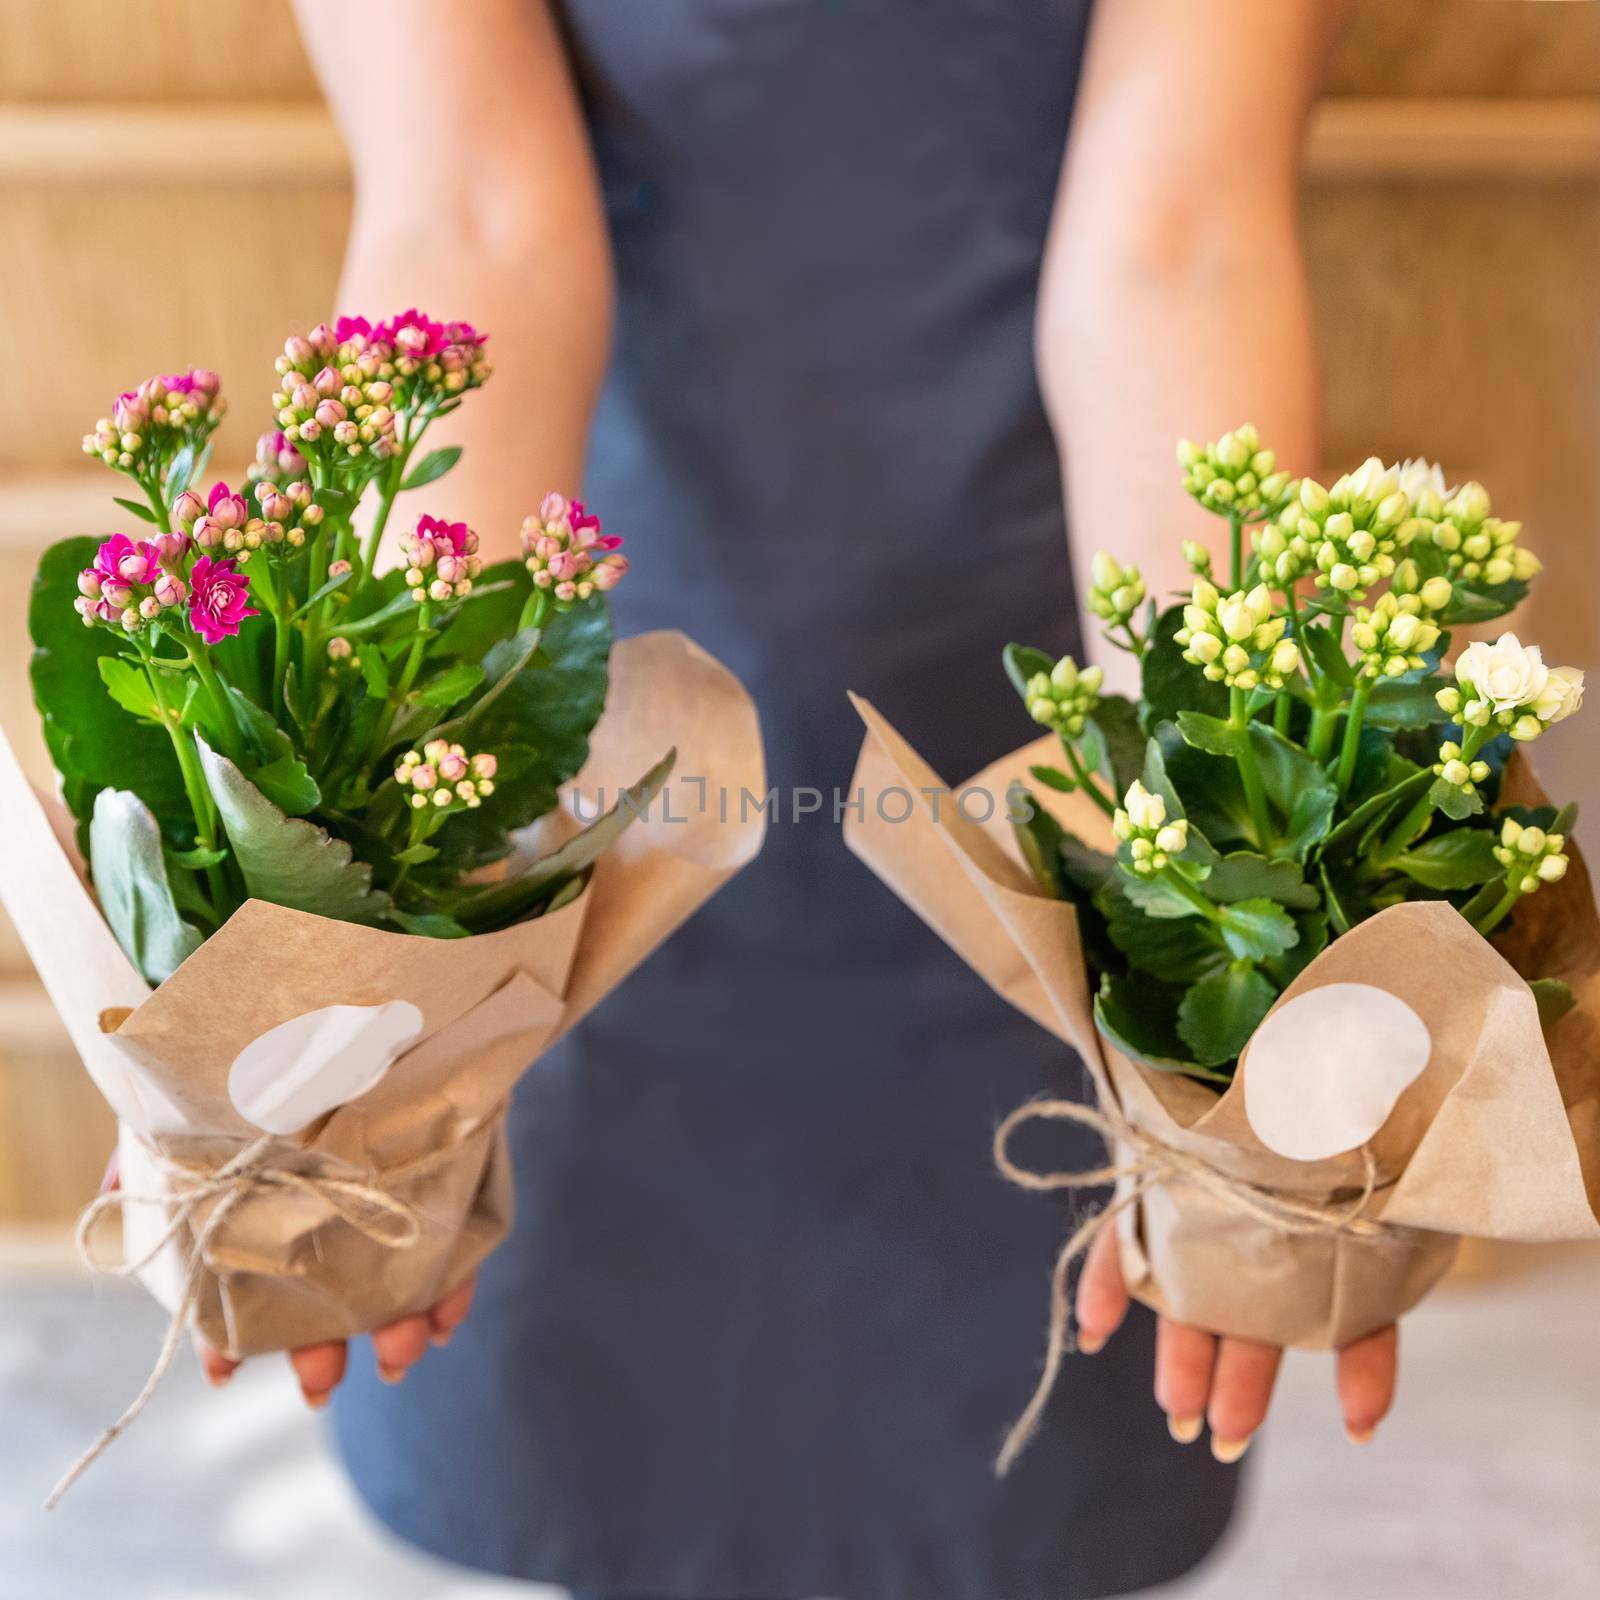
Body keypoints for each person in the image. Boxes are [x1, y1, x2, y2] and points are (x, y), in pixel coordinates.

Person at [200, 2, 1390, 1595]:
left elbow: (1175, 246)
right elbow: (469, 212)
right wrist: (395, 882)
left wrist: (1220, 878)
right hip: (594, 728)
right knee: (588, 1433)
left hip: (1040, 722)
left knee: (1028, 1476)